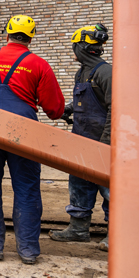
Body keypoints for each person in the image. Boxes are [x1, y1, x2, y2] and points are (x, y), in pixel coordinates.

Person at [0, 15, 65, 264]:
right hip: (24, 131)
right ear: (31, 37)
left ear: (8, 35)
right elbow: (54, 109)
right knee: (26, 189)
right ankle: (27, 250)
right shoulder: (39, 65)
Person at [50, 24, 112, 251]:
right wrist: (68, 109)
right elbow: (84, 102)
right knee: (79, 184)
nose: (74, 51)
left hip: (101, 143)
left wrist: (106, 144)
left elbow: (115, 109)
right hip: (82, 141)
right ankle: (78, 229)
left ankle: (115, 234)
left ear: (83, 47)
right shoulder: (83, 72)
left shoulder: (106, 73)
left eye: (75, 46)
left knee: (108, 190)